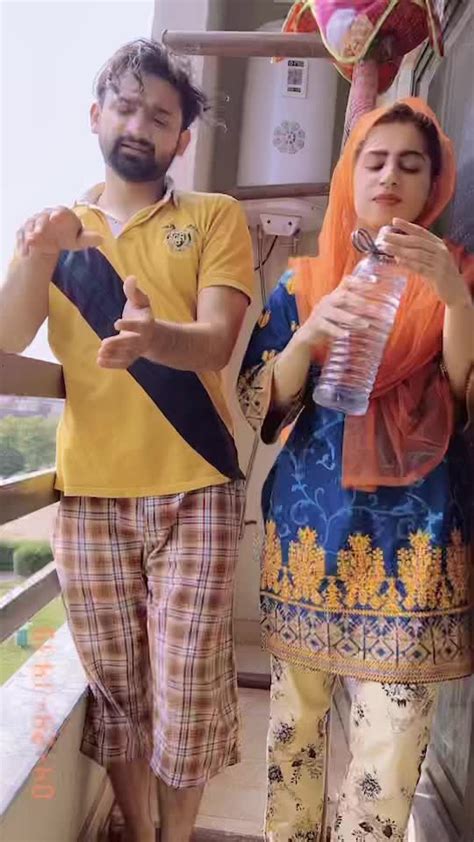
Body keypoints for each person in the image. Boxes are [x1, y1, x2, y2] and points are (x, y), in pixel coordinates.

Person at [0, 39, 254, 842]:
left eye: (161, 116)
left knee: (187, 685)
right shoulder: (58, 231)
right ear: (96, 115)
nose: (141, 125)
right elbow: (7, 340)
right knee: (116, 688)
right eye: (127, 106)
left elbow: (217, 340)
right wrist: (37, 251)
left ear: (182, 137)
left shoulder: (214, 216)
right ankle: (139, 832)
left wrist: (153, 339)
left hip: (197, 484)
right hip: (90, 492)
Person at [237, 98, 473, 842]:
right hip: (311, 530)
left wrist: (455, 297)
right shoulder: (306, 281)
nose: (390, 176)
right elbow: (257, 402)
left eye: (411, 163)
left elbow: (465, 394)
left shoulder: (460, 278)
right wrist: (309, 331)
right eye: (375, 161)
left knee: (391, 745)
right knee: (294, 729)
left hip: (417, 537)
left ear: (434, 183)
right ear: (351, 175)